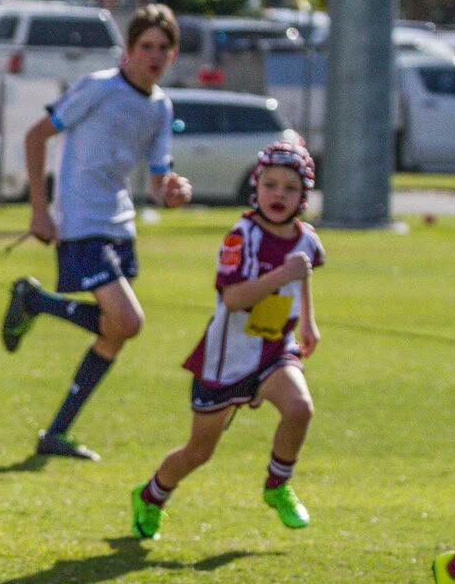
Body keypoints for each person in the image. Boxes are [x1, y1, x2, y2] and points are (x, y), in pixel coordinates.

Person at [1, 4, 192, 461]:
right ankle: (35, 301)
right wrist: (39, 211)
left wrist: (174, 190)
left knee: (114, 333)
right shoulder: (98, 88)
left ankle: (56, 432)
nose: (155, 56)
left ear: (174, 54)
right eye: (146, 47)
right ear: (128, 50)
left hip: (119, 225)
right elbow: (35, 136)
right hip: (82, 222)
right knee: (128, 322)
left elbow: (159, 180)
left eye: (163, 48)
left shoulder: (161, 106)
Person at [129, 142, 322, 541]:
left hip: (274, 349)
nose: (279, 195)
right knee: (199, 453)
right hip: (227, 358)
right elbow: (233, 298)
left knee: (300, 407)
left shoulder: (306, 239)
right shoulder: (242, 236)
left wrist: (308, 322)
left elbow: (302, 275)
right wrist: (281, 276)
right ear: (256, 188)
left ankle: (277, 485)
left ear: (304, 195)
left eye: (290, 188)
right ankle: (151, 495)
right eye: (271, 185)